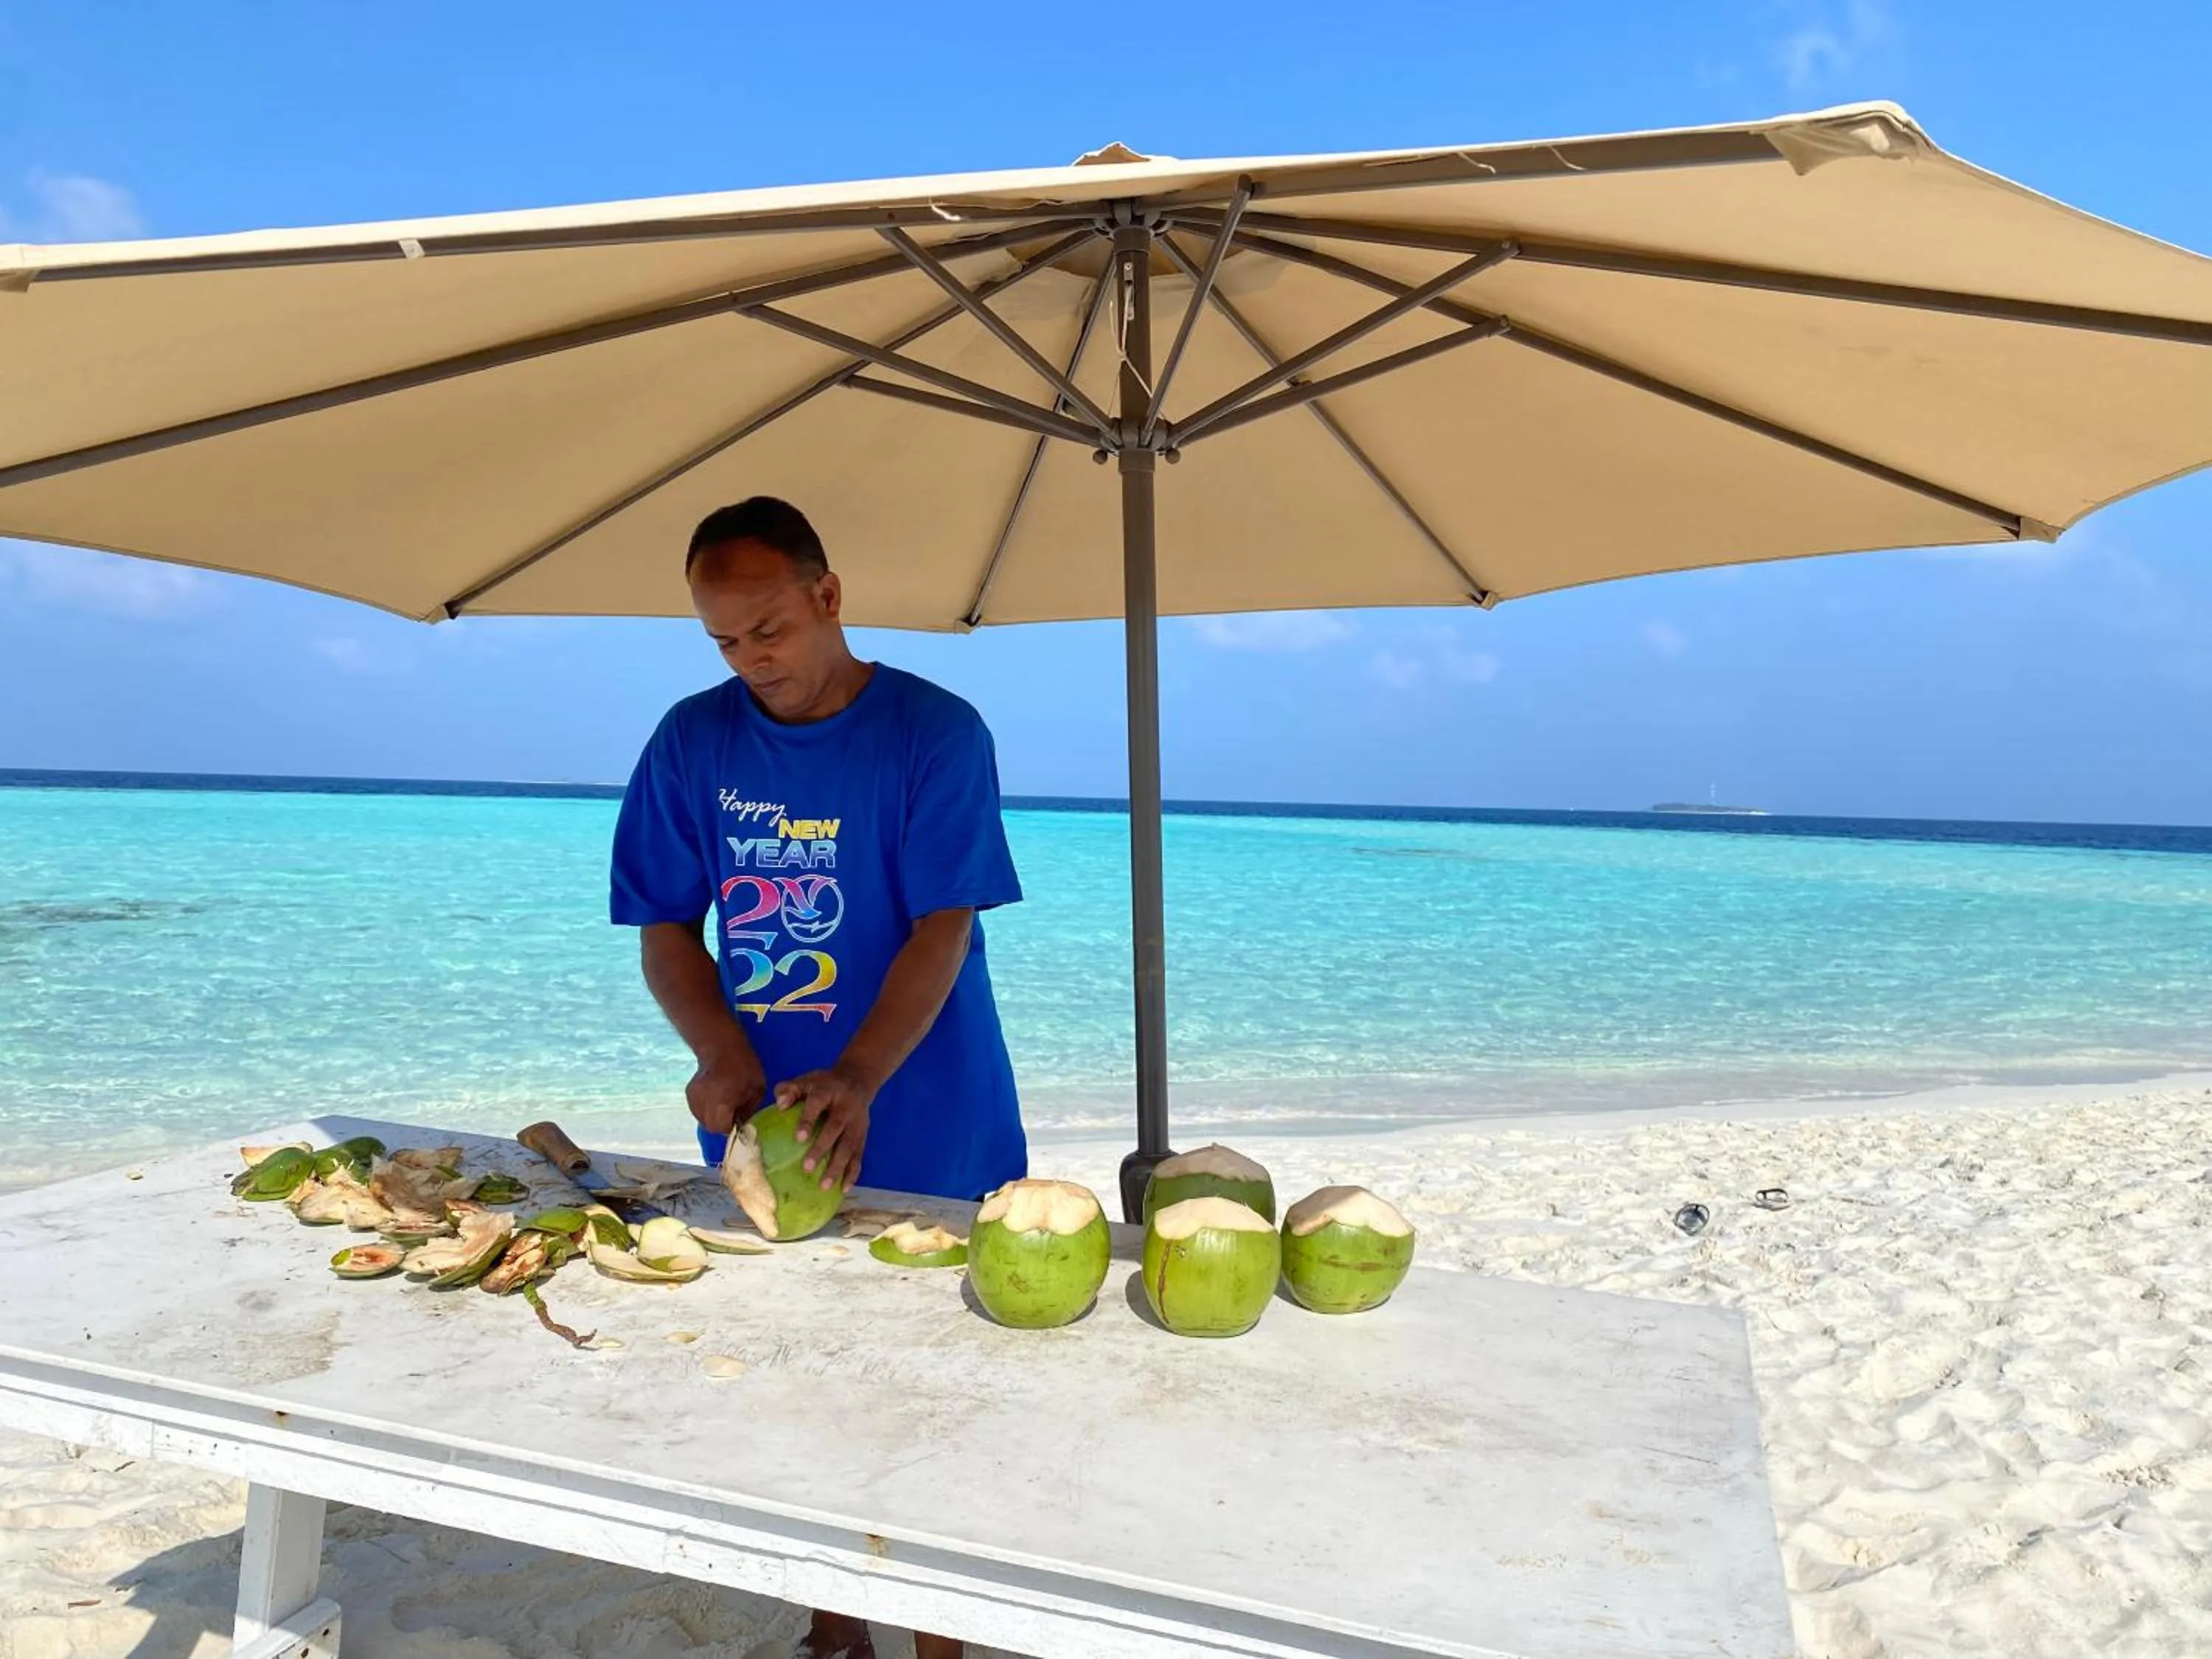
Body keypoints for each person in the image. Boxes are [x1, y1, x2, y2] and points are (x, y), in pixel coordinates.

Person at [609, 495, 1026, 1659]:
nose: (751, 660)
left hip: (935, 1115)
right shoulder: (692, 742)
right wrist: (720, 1052)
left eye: (769, 629)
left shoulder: (936, 732)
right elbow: (664, 927)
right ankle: (835, 1625)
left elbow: (944, 925)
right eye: (724, 640)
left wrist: (857, 1073)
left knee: (937, 1392)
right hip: (760, 1138)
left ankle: (939, 1641)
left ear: (827, 597)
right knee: (807, 1393)